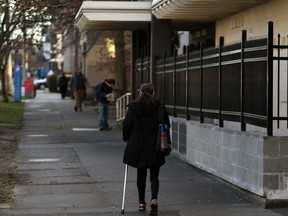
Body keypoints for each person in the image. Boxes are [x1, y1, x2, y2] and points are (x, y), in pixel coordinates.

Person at [122, 83, 170, 215]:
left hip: (138, 143)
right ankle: (154, 198)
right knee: (154, 174)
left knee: (141, 173)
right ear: (153, 92)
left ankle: (142, 202)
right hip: (155, 143)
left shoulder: (133, 106)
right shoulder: (159, 106)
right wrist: (167, 141)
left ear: (140, 93)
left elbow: (127, 124)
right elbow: (166, 124)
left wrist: (126, 138)